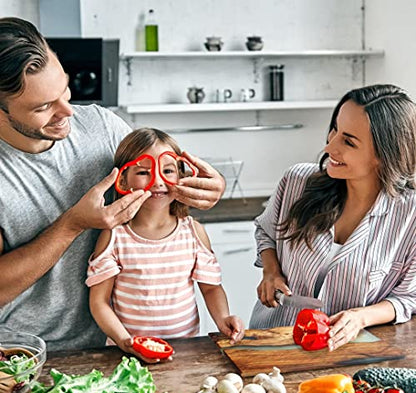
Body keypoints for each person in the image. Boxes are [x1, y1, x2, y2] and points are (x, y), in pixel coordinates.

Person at [0, 17, 225, 351]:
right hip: (29, 353)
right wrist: (72, 225)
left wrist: (209, 186)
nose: (67, 112)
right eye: (44, 107)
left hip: (114, 346)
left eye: (64, 88)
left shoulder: (102, 126)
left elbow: (155, 174)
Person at [249, 84, 416, 351]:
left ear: (385, 156)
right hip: (273, 339)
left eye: (348, 141)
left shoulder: (410, 216)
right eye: (334, 130)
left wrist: (360, 317)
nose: (329, 146)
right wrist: (271, 271)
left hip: (348, 349)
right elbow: (266, 232)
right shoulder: (296, 181)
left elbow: (407, 298)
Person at [86, 128, 244, 362]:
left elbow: (210, 288)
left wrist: (223, 318)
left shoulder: (193, 232)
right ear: (122, 180)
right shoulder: (114, 236)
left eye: (168, 170)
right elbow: (99, 302)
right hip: (128, 355)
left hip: (185, 352)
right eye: (143, 172)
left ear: (180, 177)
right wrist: (125, 342)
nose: (158, 181)